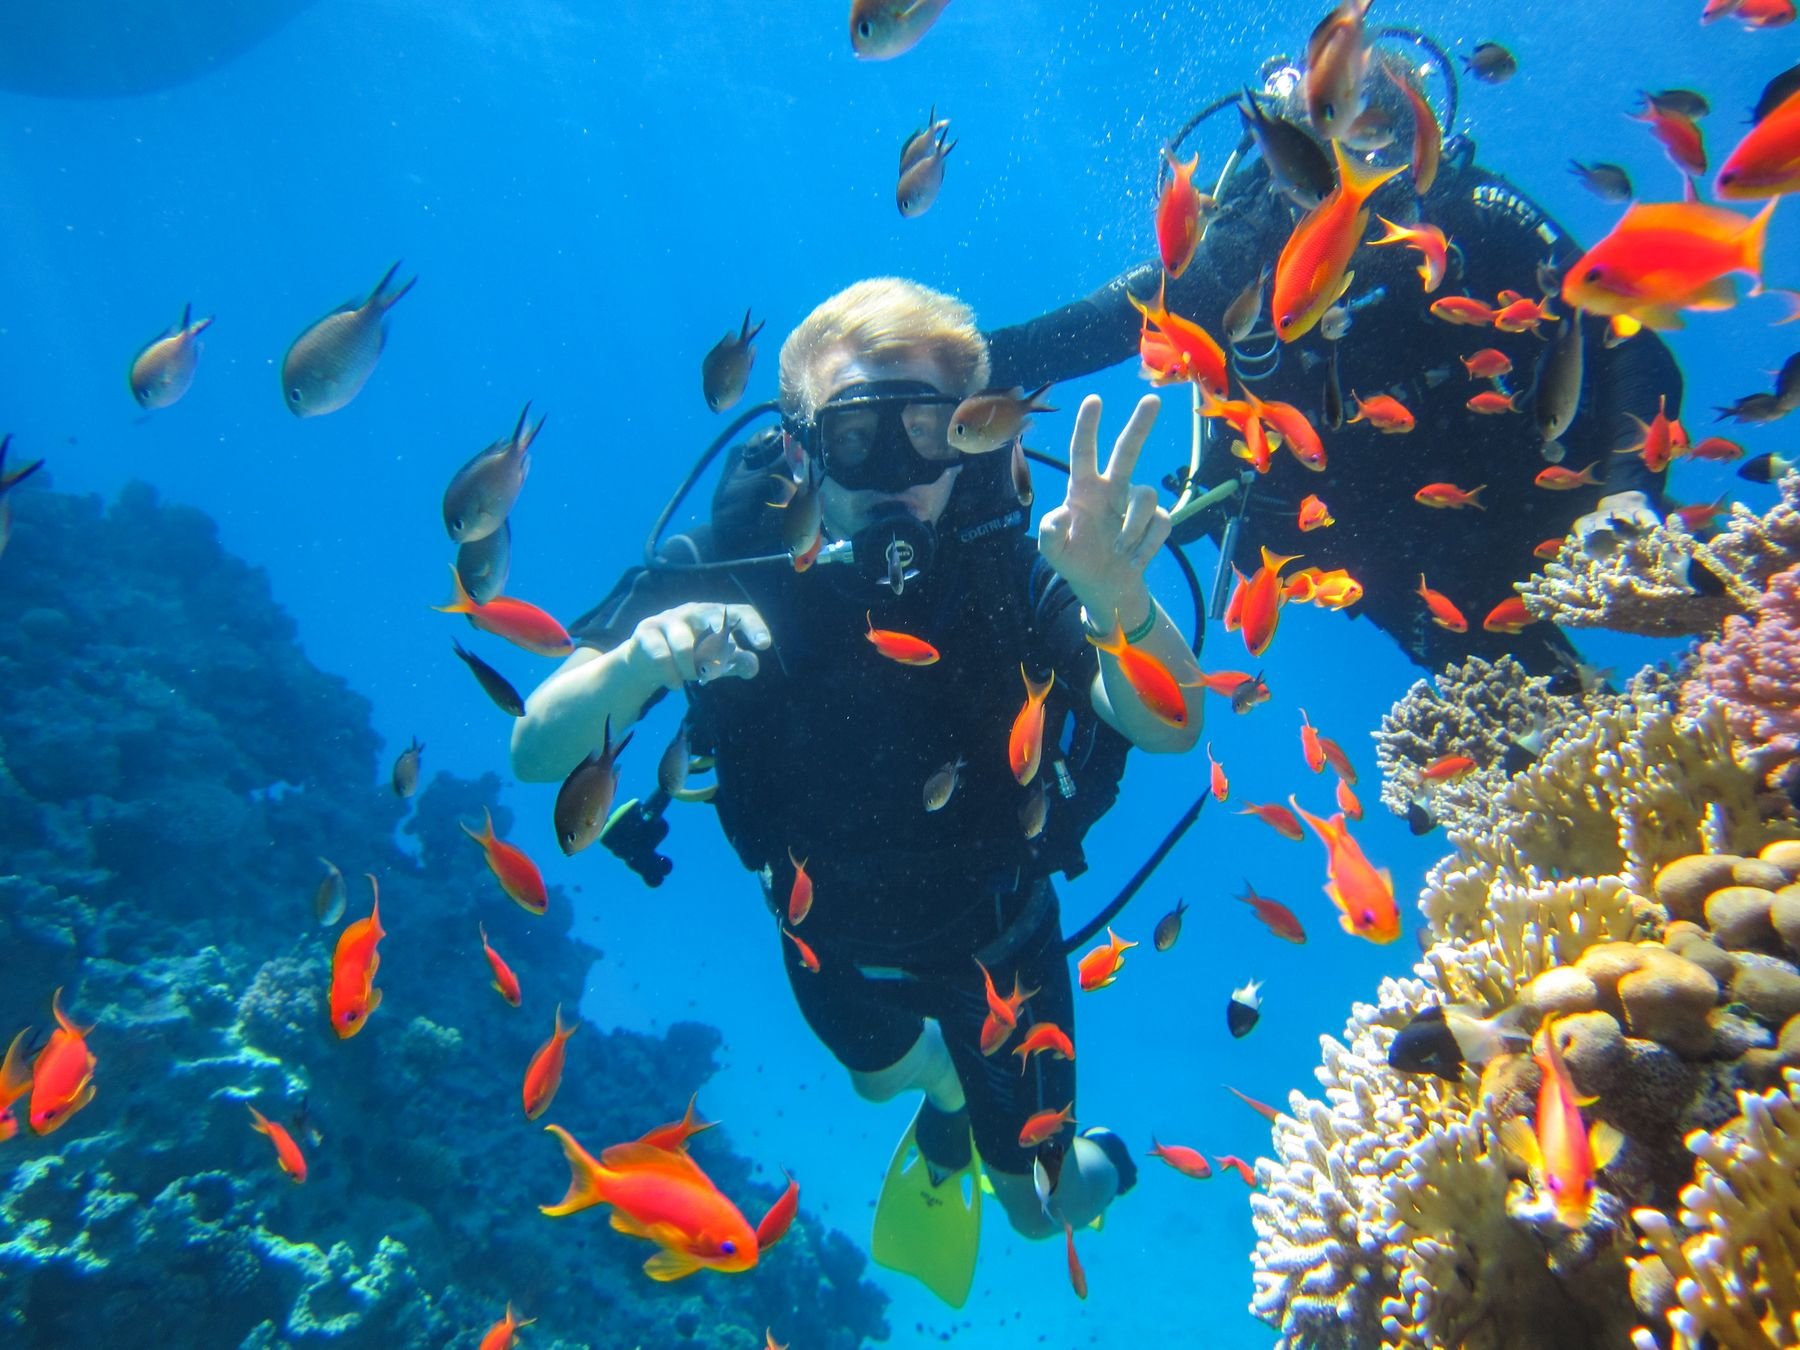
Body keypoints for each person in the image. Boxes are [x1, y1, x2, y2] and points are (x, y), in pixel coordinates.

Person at [510, 278, 1200, 1305]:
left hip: (998, 940)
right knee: (880, 1076)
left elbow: (1172, 724)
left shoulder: (1011, 560)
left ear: (968, 440)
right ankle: (948, 1096)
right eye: (854, 438)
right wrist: (636, 662)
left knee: (1039, 1209)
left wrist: (1119, 597)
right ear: (799, 445)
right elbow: (534, 750)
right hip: (820, 934)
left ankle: (1096, 1155)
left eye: (924, 432)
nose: (891, 477)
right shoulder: (731, 565)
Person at [985, 58, 1686, 679]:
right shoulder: (1242, 254)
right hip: (1381, 537)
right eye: (1329, 173)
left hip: (1556, 486)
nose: (1358, 197)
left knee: (1737, 621)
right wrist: (949, 368)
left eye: (1383, 169)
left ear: (1421, 157)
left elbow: (1631, 344)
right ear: (1291, 169)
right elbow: (1090, 328)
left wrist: (1631, 492)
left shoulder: (1471, 215)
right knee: (1529, 709)